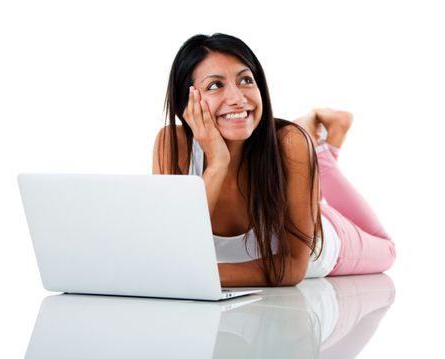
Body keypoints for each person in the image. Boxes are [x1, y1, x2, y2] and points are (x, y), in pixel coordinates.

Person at [153, 33, 396, 287]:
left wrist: (198, 275)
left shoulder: (291, 143)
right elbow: (173, 252)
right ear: (186, 103)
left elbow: (291, 266)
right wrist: (217, 164)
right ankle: (319, 155)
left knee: (388, 250)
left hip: (325, 240)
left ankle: (321, 157)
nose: (237, 98)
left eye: (246, 80)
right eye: (215, 85)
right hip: (288, 200)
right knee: (298, 173)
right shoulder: (172, 146)